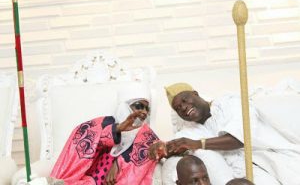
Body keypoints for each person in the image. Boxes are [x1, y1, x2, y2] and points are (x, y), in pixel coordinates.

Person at [149, 82, 300, 185]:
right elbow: (175, 146)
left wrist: (197, 144)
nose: (183, 107)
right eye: (178, 108)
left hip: (268, 156)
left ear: (195, 94)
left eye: (184, 100)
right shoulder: (191, 130)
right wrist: (160, 149)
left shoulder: (229, 103)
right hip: (240, 174)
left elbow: (239, 139)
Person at [50, 82, 159, 185]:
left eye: (147, 108)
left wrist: (118, 162)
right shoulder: (104, 122)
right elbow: (83, 135)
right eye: (139, 106)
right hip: (89, 179)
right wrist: (117, 129)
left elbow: (152, 148)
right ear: (124, 106)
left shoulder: (146, 134)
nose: (144, 112)